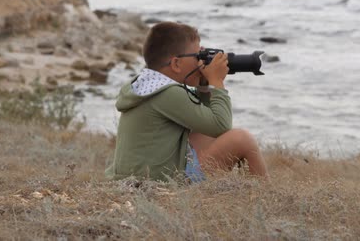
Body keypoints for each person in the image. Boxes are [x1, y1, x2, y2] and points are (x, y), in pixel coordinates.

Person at [105, 21, 268, 183]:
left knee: (200, 131)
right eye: (197, 56)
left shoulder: (147, 85)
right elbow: (222, 125)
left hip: (139, 178)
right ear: (176, 63)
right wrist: (216, 82)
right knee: (242, 139)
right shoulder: (168, 94)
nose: (201, 62)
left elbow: (207, 124)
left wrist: (204, 86)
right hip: (156, 184)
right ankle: (263, 196)